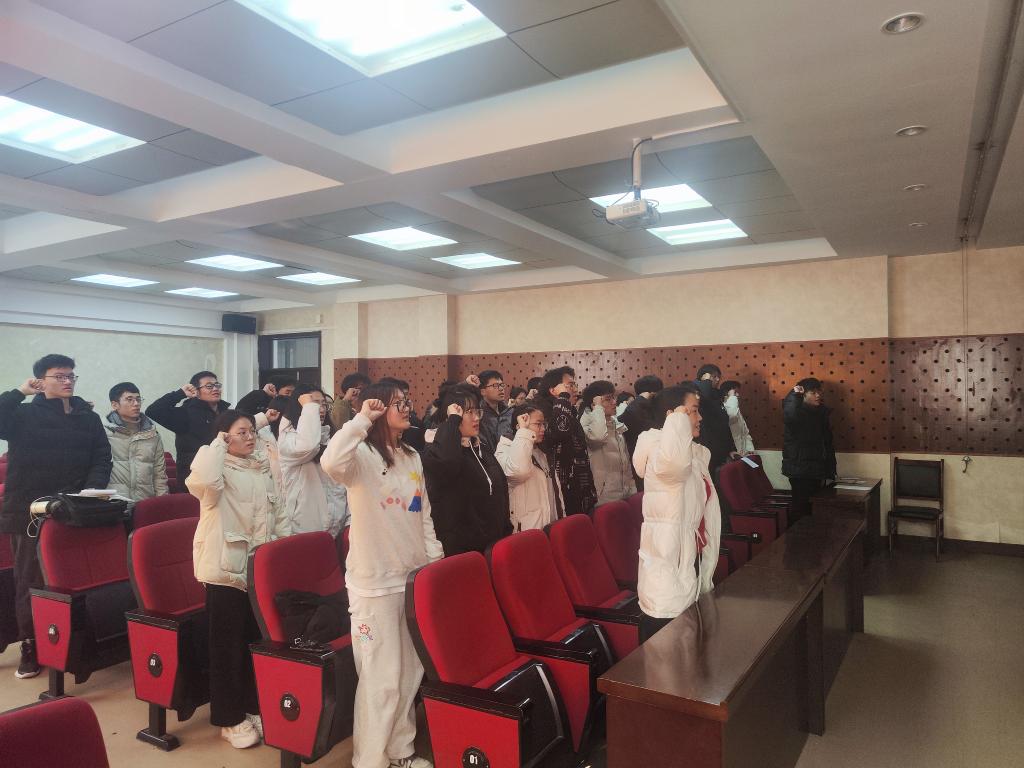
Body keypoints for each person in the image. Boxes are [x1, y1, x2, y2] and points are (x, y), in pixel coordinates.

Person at [320, 383, 442, 768]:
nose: (407, 408)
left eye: (408, 401)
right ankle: (370, 761)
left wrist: (434, 565)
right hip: (373, 587)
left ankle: (400, 751)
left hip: (411, 580)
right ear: (378, 410)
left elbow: (422, 514)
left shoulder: (411, 456)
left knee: (409, 674)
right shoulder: (360, 457)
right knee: (380, 677)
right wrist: (361, 419)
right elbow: (330, 462)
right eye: (397, 403)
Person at [0, 354, 112, 679]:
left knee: (72, 579)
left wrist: (89, 491)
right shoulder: (22, 414)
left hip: (73, 509)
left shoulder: (87, 417)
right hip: (28, 511)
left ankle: (72, 641)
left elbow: (101, 457)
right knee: (30, 581)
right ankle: (31, 644)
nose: (67, 381)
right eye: (59, 376)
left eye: (71, 376)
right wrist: (19, 392)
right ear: (41, 381)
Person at [188, 410, 289, 748]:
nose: (249, 437)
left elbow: (278, 514)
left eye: (252, 432)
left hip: (256, 570)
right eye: (241, 432)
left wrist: (281, 554)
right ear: (223, 436)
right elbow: (203, 482)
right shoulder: (215, 468)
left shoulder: (260, 467)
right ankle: (229, 719)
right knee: (226, 649)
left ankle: (250, 706)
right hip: (225, 570)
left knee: (251, 643)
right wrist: (218, 444)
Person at [632, 384, 721, 642]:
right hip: (668, 569)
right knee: (667, 657)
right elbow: (674, 466)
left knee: (690, 652)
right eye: (693, 411)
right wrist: (677, 419)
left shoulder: (692, 454)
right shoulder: (661, 452)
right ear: (673, 417)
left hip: (688, 560)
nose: (699, 417)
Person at [422, 384, 511, 556]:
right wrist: (452, 423)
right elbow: (448, 465)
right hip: (463, 551)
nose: (476, 418)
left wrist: (505, 529)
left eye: (477, 411)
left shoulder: (479, 447)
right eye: (469, 412)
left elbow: (500, 489)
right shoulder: (436, 451)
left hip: (493, 545)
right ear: (451, 415)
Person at [277, 384, 348, 535]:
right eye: (314, 403)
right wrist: (309, 408)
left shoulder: (330, 437)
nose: (321, 409)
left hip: (335, 526)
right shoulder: (288, 439)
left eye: (324, 404)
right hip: (303, 528)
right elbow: (308, 446)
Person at [146, 370, 231, 487]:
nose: (215, 389)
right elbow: (153, 411)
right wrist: (180, 393)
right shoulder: (186, 413)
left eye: (217, 385)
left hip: (225, 474)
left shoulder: (226, 413)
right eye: (209, 386)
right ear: (197, 391)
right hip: (195, 479)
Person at [536, 366, 597, 516]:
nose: (575, 389)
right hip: (562, 488)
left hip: (578, 484)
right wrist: (563, 397)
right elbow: (560, 432)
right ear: (553, 390)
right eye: (570, 385)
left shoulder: (569, 411)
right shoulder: (542, 412)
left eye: (575, 385)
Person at [495, 402, 564, 531]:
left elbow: (555, 491)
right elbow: (518, 472)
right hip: (527, 530)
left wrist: (561, 514)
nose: (543, 429)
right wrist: (523, 432)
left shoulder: (541, 450)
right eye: (538, 424)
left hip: (550, 524)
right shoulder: (505, 448)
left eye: (544, 424)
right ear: (519, 425)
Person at [782, 378, 836, 525]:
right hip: (801, 470)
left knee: (814, 509)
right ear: (803, 395)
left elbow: (826, 443)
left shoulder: (820, 413)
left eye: (819, 392)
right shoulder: (797, 412)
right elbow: (790, 414)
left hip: (816, 468)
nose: (818, 395)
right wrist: (794, 393)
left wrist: (830, 468)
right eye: (813, 392)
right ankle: (794, 538)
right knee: (801, 510)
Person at [104, 382, 168, 502]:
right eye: (130, 399)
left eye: (138, 399)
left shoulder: (152, 434)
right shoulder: (104, 432)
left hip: (145, 501)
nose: (136, 404)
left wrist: (162, 502)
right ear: (115, 405)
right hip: (114, 502)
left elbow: (159, 474)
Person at [579, 380, 636, 505]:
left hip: (624, 494)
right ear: (595, 404)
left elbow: (626, 463)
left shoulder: (616, 424)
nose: (614, 402)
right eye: (608, 399)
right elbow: (598, 437)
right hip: (603, 497)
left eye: (613, 397)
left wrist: (632, 489)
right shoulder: (586, 425)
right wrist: (598, 408)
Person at [692, 364, 739, 474]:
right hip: (707, 448)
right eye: (714, 377)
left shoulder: (716, 395)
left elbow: (724, 424)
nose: (718, 380)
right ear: (704, 377)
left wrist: (731, 448)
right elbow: (704, 398)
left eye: (719, 377)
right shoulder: (697, 392)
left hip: (720, 448)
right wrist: (706, 382)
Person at [620, 374, 664, 491]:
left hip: (643, 462)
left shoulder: (637, 407)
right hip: (642, 463)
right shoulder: (638, 409)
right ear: (653, 393)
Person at [472, 370, 514, 454]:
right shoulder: (478, 415)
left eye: (502, 385)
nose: (501, 389)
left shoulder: (510, 412)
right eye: (495, 386)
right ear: (483, 391)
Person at [379, 378, 426, 452]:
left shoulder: (412, 453)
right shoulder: (364, 451)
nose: (407, 409)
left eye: (404, 402)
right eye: (397, 403)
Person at [721, 380, 755, 455]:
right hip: (732, 452)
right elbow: (732, 415)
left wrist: (750, 449)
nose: (738, 395)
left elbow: (745, 432)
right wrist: (732, 397)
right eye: (735, 392)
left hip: (744, 451)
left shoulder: (736, 409)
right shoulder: (724, 408)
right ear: (727, 393)